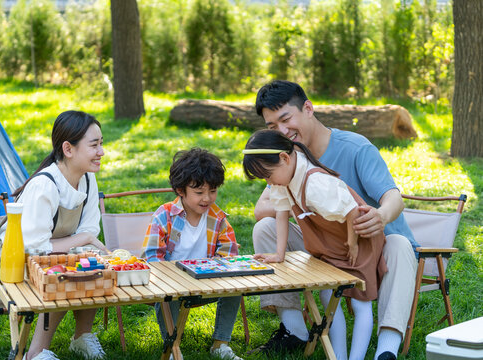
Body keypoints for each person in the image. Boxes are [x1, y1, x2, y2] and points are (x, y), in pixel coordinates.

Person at [250, 80, 419, 360]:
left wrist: (379, 216)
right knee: (265, 228)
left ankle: (386, 348)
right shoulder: (287, 158)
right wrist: (307, 207)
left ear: (308, 108)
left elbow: (394, 199)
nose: (282, 131)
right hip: (328, 246)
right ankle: (295, 330)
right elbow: (262, 208)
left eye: (285, 119)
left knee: (400, 243)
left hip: (375, 244)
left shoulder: (355, 148)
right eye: (272, 127)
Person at [243, 129, 388, 359]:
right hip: (329, 244)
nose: (267, 182)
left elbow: (351, 212)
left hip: (358, 240)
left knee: (361, 303)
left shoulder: (315, 183)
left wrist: (352, 244)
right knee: (328, 297)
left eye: (267, 175)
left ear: (284, 158)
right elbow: (281, 213)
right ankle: (338, 356)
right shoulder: (284, 181)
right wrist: (279, 254)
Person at [0, 110, 109, 360]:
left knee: (93, 265)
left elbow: (91, 229)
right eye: (94, 145)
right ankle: (35, 353)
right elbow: (35, 247)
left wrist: (84, 241)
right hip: (9, 272)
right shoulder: (45, 185)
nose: (101, 151)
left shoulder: (88, 180)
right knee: (66, 274)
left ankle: (82, 337)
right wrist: (82, 240)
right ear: (68, 149)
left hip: (48, 261)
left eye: (101, 143)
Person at [141, 148, 242, 360]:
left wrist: (216, 267)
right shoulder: (165, 215)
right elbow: (152, 259)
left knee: (235, 286)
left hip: (207, 282)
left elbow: (229, 253)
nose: (207, 198)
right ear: (180, 190)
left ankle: (220, 344)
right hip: (173, 284)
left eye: (212, 191)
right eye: (199, 192)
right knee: (167, 295)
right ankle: (172, 346)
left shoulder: (218, 218)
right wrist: (175, 278)